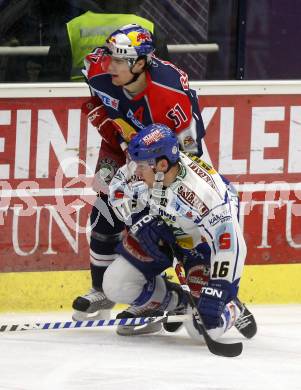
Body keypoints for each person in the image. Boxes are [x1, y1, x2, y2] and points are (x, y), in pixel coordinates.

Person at [71, 23, 206, 321]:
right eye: (111, 58)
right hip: (118, 149)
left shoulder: (170, 98)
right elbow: (97, 94)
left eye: (120, 61)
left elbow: (189, 153)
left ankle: (163, 295)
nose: (111, 65)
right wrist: (101, 115)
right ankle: (102, 291)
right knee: (104, 211)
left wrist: (163, 187)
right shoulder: (97, 68)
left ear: (141, 63)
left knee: (159, 224)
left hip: (161, 162)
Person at [104, 123, 257, 339]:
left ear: (162, 165)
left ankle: (231, 306)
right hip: (161, 234)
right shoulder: (147, 166)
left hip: (200, 247)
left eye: (141, 166)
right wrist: (138, 218)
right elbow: (117, 189)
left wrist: (220, 289)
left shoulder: (205, 194)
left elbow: (230, 245)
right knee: (115, 284)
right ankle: (178, 301)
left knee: (203, 330)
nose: (135, 171)